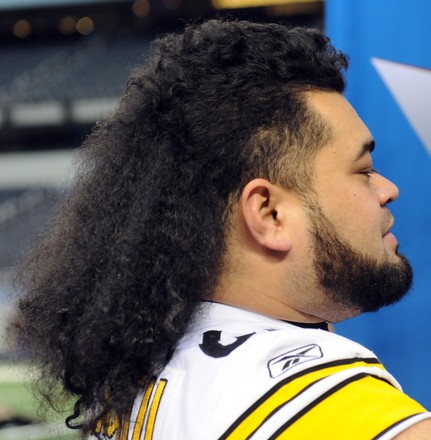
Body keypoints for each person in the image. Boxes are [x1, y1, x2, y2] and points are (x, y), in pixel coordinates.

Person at [11, 19, 431, 439]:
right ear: (268, 214)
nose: (388, 189)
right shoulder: (314, 391)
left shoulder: (138, 379)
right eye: (363, 170)